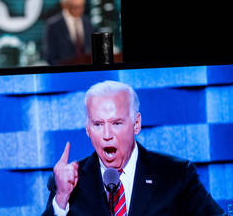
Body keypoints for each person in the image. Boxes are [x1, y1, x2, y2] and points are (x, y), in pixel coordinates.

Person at [42, 80, 224, 215]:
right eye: (98, 124)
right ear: (88, 129)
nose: (107, 134)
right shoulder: (69, 183)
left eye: (116, 123)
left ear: (136, 124)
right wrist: (61, 198)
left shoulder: (176, 175)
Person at [43, 0, 95, 65]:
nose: (80, 10)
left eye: (82, 6)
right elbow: (50, 57)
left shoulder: (88, 22)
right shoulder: (53, 25)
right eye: (75, 7)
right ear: (64, 5)